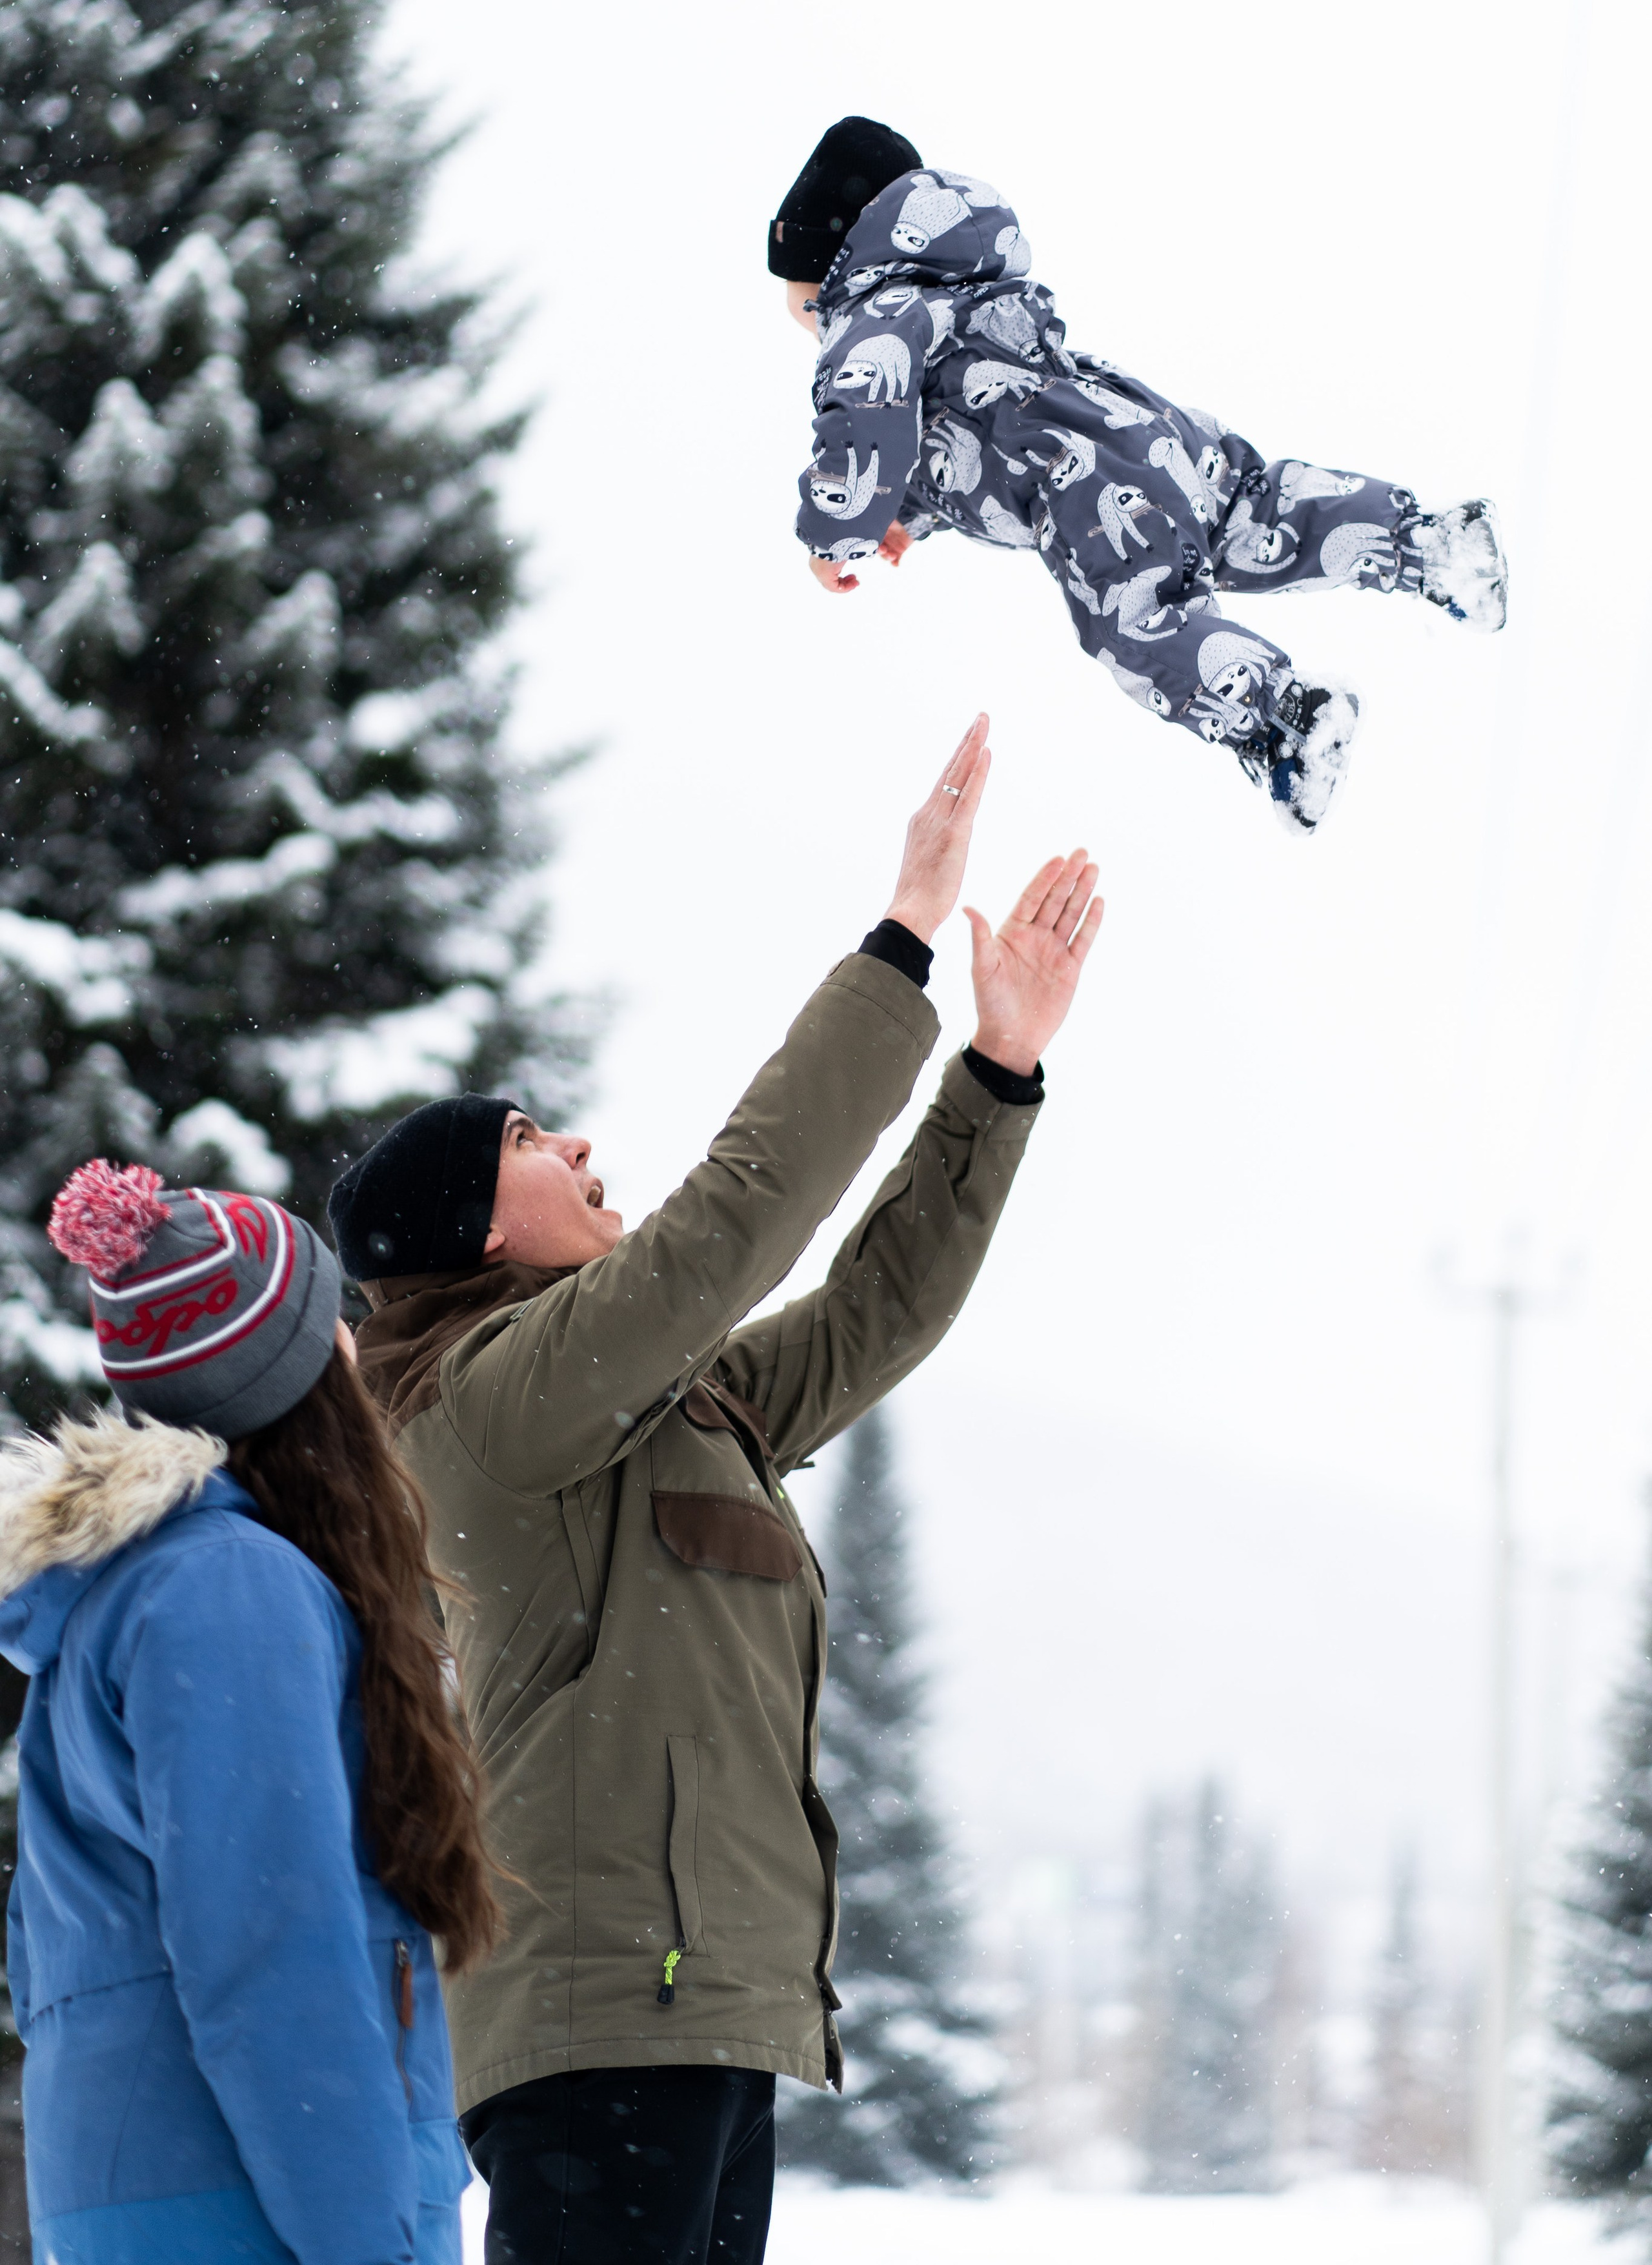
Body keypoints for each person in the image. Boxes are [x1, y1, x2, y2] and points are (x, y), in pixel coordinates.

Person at [331, 715, 1102, 2265]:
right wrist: (898, 943)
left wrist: (997, 1067)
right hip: (596, 2017)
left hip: (694, 2011)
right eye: (533, 1142)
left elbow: (873, 1309)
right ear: (473, 1233)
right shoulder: (488, 1402)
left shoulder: (664, 1408)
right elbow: (736, 1217)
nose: (581, 1141)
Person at [3, 1164, 492, 2264]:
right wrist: (371, 2238)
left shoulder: (122, 1596)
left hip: (155, 2188)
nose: (362, 1346)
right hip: (248, 2210)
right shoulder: (227, 1589)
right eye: (339, 1321)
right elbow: (271, 1953)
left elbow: (45, 1960)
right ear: (299, 1372)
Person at [771, 116, 1509, 835]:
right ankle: (1433, 547)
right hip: (1137, 427)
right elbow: (945, 435)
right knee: (1253, 512)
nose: (813, 334)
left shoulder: (869, 315)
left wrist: (836, 536)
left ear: (828, 275)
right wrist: (905, 515)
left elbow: (865, 425)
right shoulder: (959, 287)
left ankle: (1289, 722)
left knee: (1138, 616)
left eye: (802, 313)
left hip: (1080, 488)